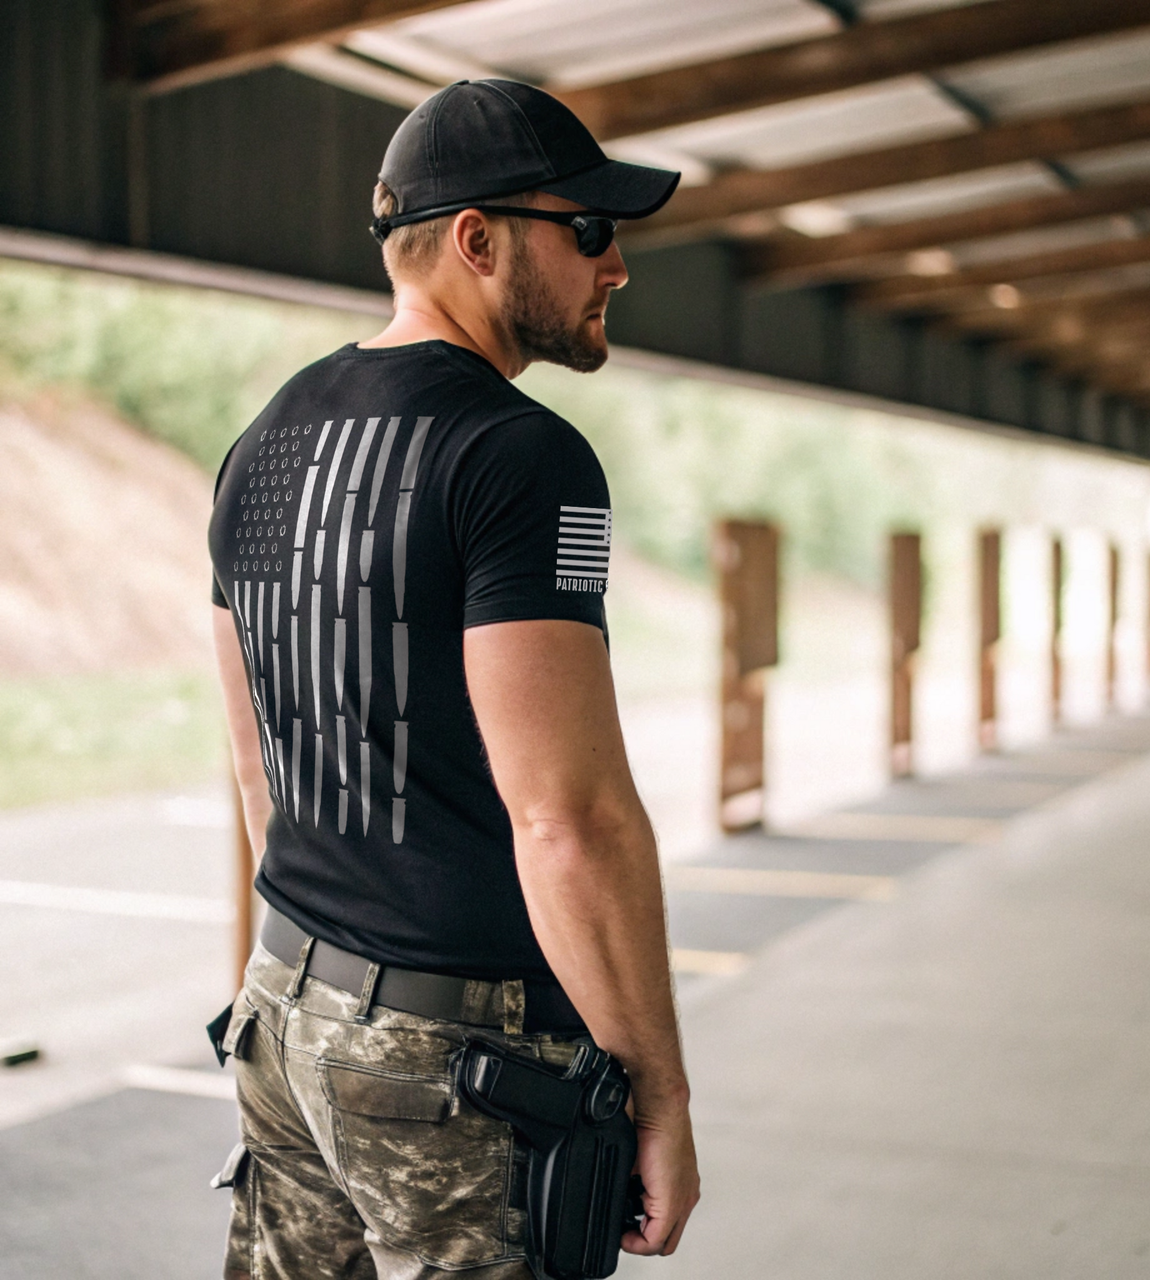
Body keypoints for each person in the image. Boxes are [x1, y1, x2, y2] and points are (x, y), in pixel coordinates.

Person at [206, 80, 699, 1279]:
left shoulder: (263, 438)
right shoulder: (519, 456)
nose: (615, 261)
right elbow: (569, 819)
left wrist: (325, 961)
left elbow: (259, 770)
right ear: (477, 240)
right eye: (586, 228)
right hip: (445, 1061)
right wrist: (659, 1092)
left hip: (281, 1009)